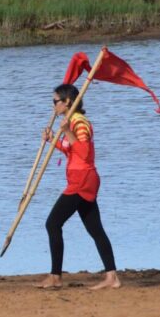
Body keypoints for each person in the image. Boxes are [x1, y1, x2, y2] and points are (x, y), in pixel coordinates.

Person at [35, 83, 121, 290]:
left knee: (53, 223)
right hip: (83, 179)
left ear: (67, 102)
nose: (53, 105)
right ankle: (112, 278)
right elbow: (70, 150)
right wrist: (52, 141)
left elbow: (84, 153)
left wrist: (66, 131)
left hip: (82, 180)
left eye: (55, 101)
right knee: (95, 229)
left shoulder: (80, 123)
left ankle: (55, 276)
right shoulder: (71, 122)